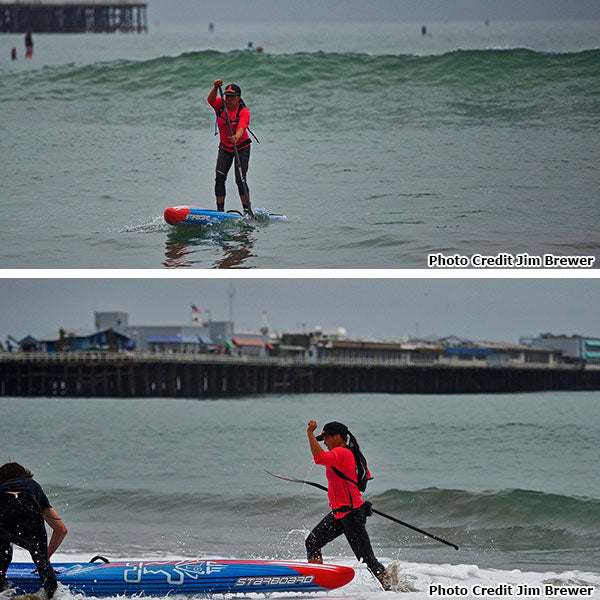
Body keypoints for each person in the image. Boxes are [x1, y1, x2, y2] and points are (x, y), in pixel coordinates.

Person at [305, 421, 393, 590]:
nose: (324, 442)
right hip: (339, 514)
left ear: (337, 437)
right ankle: (319, 581)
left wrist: (309, 433)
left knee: (367, 559)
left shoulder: (343, 452)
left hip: (351, 514)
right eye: (322, 439)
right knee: (312, 543)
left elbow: (319, 459)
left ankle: (394, 589)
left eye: (326, 438)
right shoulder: (345, 453)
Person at [0, 463, 68, 598]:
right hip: (29, 512)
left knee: (2, 556)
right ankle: (53, 595)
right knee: (43, 565)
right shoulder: (32, 486)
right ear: (24, 475)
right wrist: (45, 557)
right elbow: (61, 530)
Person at [207, 79, 252, 213]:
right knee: (220, 178)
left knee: (240, 180)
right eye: (227, 96)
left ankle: (247, 211)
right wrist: (215, 87)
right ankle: (220, 211)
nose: (229, 99)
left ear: (239, 98)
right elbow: (210, 100)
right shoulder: (220, 105)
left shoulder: (244, 111)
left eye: (232, 97)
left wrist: (237, 136)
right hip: (225, 148)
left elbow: (242, 126)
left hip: (241, 148)